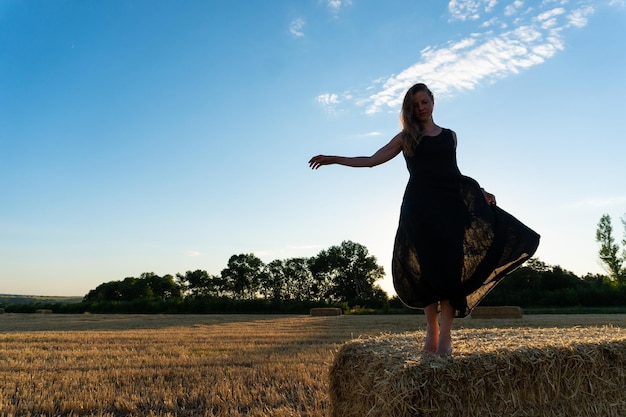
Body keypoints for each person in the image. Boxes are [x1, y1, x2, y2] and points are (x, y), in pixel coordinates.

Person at [309, 83, 539, 355]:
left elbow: (453, 171)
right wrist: (335, 158)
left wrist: (480, 191)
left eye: (424, 102)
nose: (420, 108)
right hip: (419, 208)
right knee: (427, 269)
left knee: (451, 268)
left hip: (451, 208)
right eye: (415, 104)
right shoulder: (406, 137)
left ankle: (446, 337)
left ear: (432, 101)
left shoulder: (451, 136)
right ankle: (432, 330)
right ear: (410, 108)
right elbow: (372, 160)